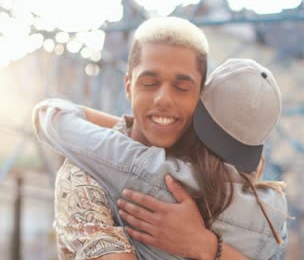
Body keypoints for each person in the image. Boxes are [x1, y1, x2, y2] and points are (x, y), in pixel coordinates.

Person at [37, 16, 253, 260]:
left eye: (182, 88)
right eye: (149, 83)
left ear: (200, 96)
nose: (163, 99)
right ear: (128, 86)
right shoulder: (83, 175)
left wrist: (204, 245)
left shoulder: (216, 169)